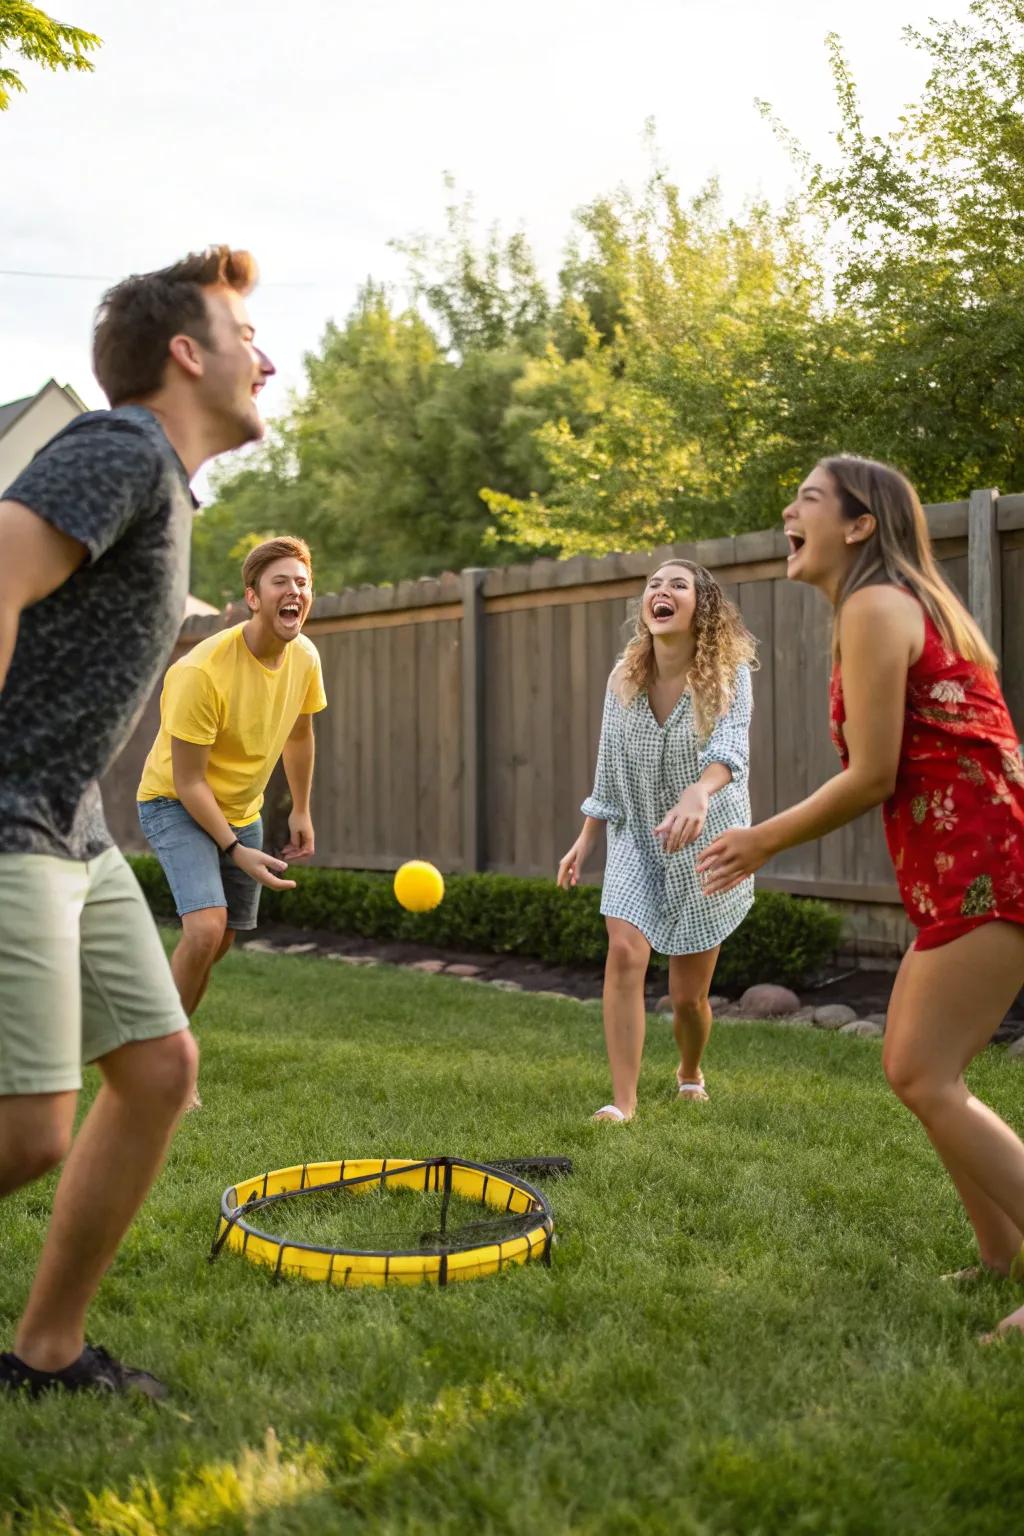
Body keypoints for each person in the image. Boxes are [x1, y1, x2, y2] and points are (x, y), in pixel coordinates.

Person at [0, 245, 275, 1399]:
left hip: (72, 825)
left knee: (159, 1070)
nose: (266, 357)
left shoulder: (165, 483)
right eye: (243, 334)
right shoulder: (119, 448)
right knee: (25, 1134)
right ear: (184, 351)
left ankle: (46, 1355)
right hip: (8, 814)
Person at [698, 456, 1024, 1341]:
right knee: (924, 1073)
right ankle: (999, 1253)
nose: (787, 511)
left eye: (806, 498)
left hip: (984, 860)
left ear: (860, 524)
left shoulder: (878, 607)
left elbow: (874, 773)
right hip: (961, 861)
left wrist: (761, 837)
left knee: (923, 1070)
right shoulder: (876, 608)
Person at [558, 560, 757, 1121]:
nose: (661, 591)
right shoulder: (624, 676)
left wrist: (700, 793)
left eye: (677, 585)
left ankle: (690, 1070)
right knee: (624, 953)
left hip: (708, 842)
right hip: (636, 835)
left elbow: (730, 750)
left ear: (703, 606)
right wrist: (585, 838)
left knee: (687, 997)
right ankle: (623, 1105)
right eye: (653, 584)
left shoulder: (729, 672)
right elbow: (608, 763)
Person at [137, 535, 326, 1037]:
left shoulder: (304, 656)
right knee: (204, 929)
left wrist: (301, 809)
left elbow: (301, 733)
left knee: (215, 944)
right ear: (253, 596)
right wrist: (233, 848)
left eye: (303, 583)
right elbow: (188, 779)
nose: (295, 590)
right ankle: (161, 1064)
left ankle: (160, 1034)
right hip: (175, 803)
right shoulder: (200, 672)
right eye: (280, 581)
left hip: (243, 809)